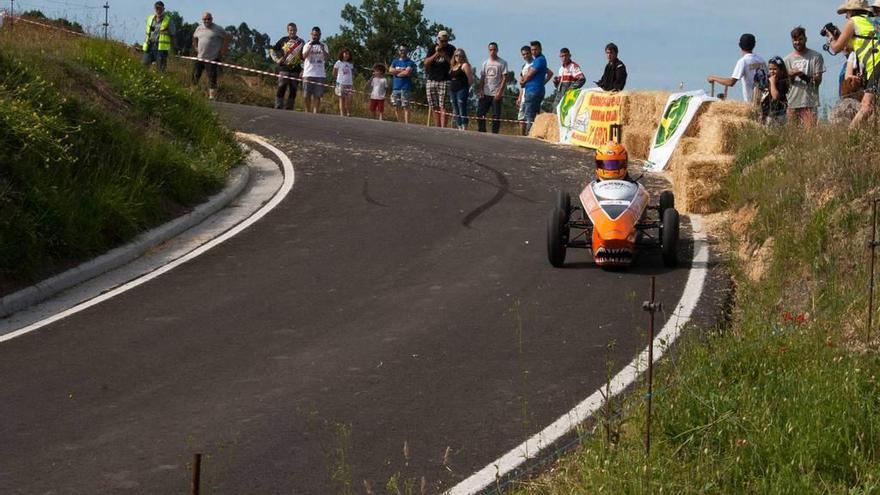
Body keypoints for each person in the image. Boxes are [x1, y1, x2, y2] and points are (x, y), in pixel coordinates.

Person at [828, 0, 880, 127]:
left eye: (846, 12)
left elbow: (836, 48)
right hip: (876, 64)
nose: (846, 16)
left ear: (851, 11)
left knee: (866, 105)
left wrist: (830, 38)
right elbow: (853, 46)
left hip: (877, 64)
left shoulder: (853, 22)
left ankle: (851, 136)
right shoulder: (873, 21)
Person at [706, 33, 768, 103]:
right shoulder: (761, 60)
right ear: (754, 45)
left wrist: (713, 78)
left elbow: (731, 82)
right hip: (765, 101)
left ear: (739, 45)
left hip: (752, 103)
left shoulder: (743, 61)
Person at [784, 26, 824, 127]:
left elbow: (818, 80)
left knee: (810, 133)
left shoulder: (816, 56)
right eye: (795, 40)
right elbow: (784, 84)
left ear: (805, 39)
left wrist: (802, 75)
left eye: (800, 39)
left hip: (809, 102)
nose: (797, 42)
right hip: (791, 102)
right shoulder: (787, 60)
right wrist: (791, 76)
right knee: (791, 133)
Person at [191, 11, 230, 100]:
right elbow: (194, 37)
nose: (207, 21)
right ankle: (192, 92)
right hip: (200, 57)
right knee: (195, 75)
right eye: (205, 19)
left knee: (212, 77)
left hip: (212, 58)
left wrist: (223, 50)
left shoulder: (218, 29)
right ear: (202, 20)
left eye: (208, 19)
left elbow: (227, 37)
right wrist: (195, 47)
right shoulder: (199, 28)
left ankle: (212, 96)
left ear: (212, 19)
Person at [519, 40, 553, 134]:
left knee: (529, 115)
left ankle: (529, 135)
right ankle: (535, 133)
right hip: (535, 89)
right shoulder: (539, 60)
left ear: (540, 49)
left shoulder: (539, 60)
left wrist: (523, 81)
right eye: (532, 50)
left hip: (533, 90)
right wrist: (542, 83)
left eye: (535, 49)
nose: (534, 52)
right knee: (534, 114)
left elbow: (530, 74)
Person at [424, 30, 456, 127]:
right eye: (442, 41)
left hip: (445, 79)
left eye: (446, 41)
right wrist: (436, 54)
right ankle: (437, 126)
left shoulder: (451, 49)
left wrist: (444, 55)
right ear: (438, 39)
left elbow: (454, 64)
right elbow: (426, 63)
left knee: (444, 105)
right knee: (434, 105)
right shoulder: (432, 48)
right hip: (432, 79)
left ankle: (443, 127)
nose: (444, 43)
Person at [270, 23, 304, 110]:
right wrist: (277, 60)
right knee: (281, 87)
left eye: (294, 30)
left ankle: (289, 108)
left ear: (296, 30)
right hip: (284, 68)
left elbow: (304, 58)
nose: (292, 32)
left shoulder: (301, 42)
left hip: (296, 70)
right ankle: (278, 106)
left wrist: (303, 70)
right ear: (287, 31)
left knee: (293, 90)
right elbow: (272, 50)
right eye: (290, 30)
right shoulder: (283, 40)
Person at [477, 42, 508, 134]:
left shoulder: (502, 62)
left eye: (494, 49)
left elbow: (505, 78)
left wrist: (500, 92)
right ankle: (482, 131)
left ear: (497, 50)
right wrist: (481, 90)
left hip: (496, 94)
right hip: (486, 92)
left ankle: (494, 134)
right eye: (491, 50)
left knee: (496, 116)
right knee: (480, 113)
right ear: (488, 50)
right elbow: (482, 77)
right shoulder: (485, 63)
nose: (492, 51)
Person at [301, 26, 330, 114]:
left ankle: (315, 112)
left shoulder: (324, 45)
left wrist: (322, 49)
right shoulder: (307, 44)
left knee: (317, 95)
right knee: (306, 95)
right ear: (311, 35)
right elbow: (303, 56)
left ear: (320, 35)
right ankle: (307, 111)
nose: (315, 37)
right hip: (308, 73)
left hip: (319, 74)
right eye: (313, 35)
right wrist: (310, 47)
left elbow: (327, 58)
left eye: (317, 35)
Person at [142, 1, 175, 72]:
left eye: (160, 9)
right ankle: (143, 82)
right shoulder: (150, 18)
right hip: (149, 45)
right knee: (144, 67)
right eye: (157, 8)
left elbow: (173, 33)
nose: (158, 10)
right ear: (154, 8)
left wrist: (167, 31)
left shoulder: (168, 20)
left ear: (163, 9)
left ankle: (160, 82)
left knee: (161, 70)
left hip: (161, 49)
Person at [389, 46, 418, 124]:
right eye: (401, 50)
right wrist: (402, 70)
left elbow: (407, 73)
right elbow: (390, 70)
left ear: (407, 51)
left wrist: (397, 72)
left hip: (405, 88)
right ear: (399, 51)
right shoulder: (395, 61)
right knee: (396, 106)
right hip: (395, 88)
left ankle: (406, 123)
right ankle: (399, 122)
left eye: (404, 50)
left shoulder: (410, 62)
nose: (403, 52)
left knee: (406, 106)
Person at [448, 49, 474, 130]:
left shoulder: (465, 65)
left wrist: (466, 88)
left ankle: (464, 125)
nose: (458, 57)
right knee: (455, 108)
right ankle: (459, 125)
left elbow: (470, 79)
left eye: (460, 55)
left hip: (462, 89)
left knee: (461, 106)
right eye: (456, 55)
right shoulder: (453, 67)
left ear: (463, 56)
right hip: (453, 90)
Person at [761, 57, 790, 124]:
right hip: (767, 113)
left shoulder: (782, 82)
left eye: (775, 69)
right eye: (770, 69)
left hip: (778, 114)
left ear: (781, 71)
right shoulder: (768, 81)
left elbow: (775, 97)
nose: (772, 71)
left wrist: (772, 83)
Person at [516, 45, 534, 136]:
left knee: (529, 117)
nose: (525, 56)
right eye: (523, 54)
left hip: (532, 93)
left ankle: (529, 135)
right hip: (523, 95)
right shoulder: (524, 66)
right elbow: (521, 83)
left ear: (531, 53)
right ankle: (521, 137)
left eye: (527, 53)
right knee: (521, 117)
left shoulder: (535, 63)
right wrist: (519, 97)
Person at [333, 48, 354, 117]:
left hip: (349, 84)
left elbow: (351, 74)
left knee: (349, 98)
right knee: (342, 98)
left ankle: (349, 112)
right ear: (342, 54)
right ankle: (342, 113)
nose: (346, 55)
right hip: (341, 83)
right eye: (345, 53)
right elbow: (334, 72)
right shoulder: (338, 62)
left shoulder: (350, 64)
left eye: (348, 54)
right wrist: (338, 80)